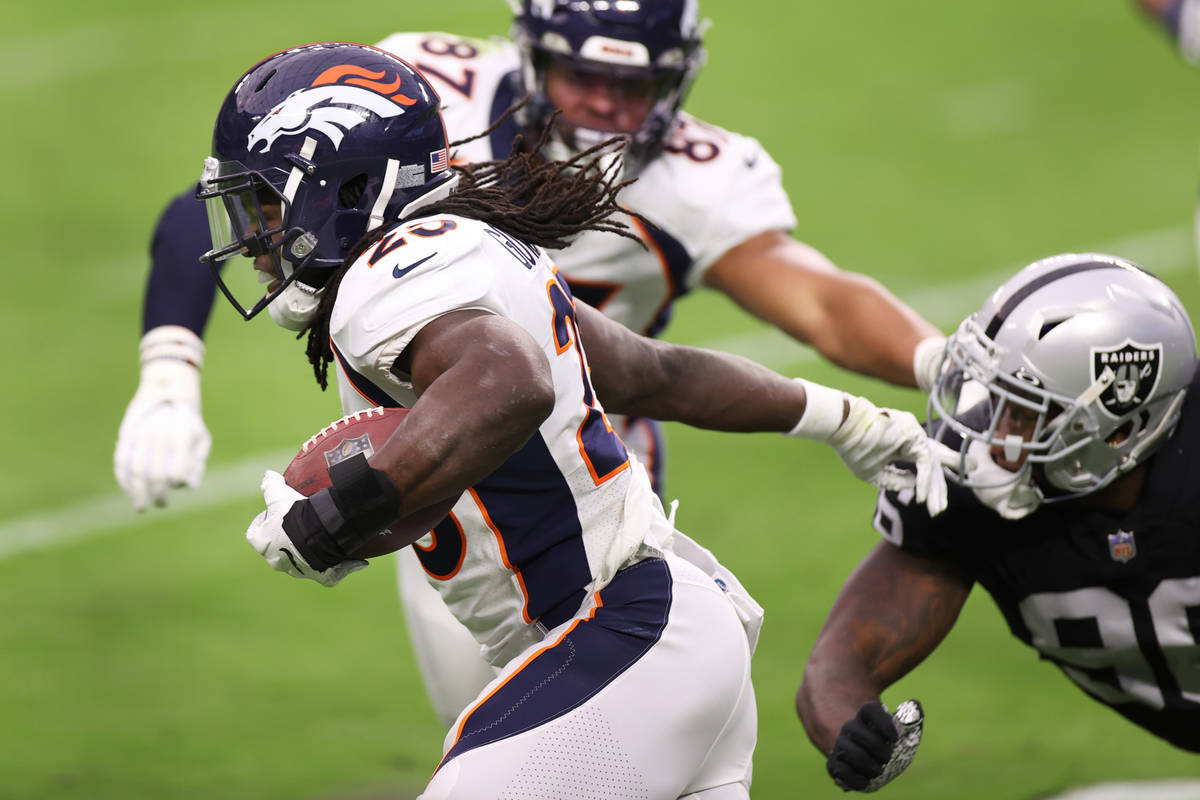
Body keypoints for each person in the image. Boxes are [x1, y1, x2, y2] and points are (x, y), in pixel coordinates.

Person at [116, 0, 947, 728]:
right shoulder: (421, 100)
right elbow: (256, 192)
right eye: (577, 74)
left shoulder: (701, 180)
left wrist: (935, 362)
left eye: (634, 85)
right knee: (512, 726)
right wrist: (168, 369)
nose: (603, 104)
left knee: (585, 728)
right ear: (529, 55)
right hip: (440, 466)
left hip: (593, 471)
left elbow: (811, 305)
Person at [794, 253, 1200, 793]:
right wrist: (853, 726)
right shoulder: (971, 488)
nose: (997, 436)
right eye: (998, 397)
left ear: (1121, 429)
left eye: (1030, 411)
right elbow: (839, 665)